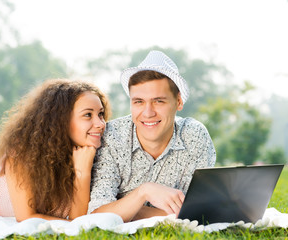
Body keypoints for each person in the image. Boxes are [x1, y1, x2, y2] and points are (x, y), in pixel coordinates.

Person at [88, 50, 216, 222]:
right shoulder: (112, 137)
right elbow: (97, 215)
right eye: (139, 102)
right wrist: (144, 191)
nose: (148, 113)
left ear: (178, 102)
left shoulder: (194, 136)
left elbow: (198, 213)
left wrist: (126, 208)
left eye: (158, 101)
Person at [0, 79, 110, 221]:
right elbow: (26, 217)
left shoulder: (90, 154)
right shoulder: (22, 153)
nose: (100, 124)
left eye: (101, 114)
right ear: (62, 120)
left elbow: (78, 219)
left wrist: (82, 174)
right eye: (88, 115)